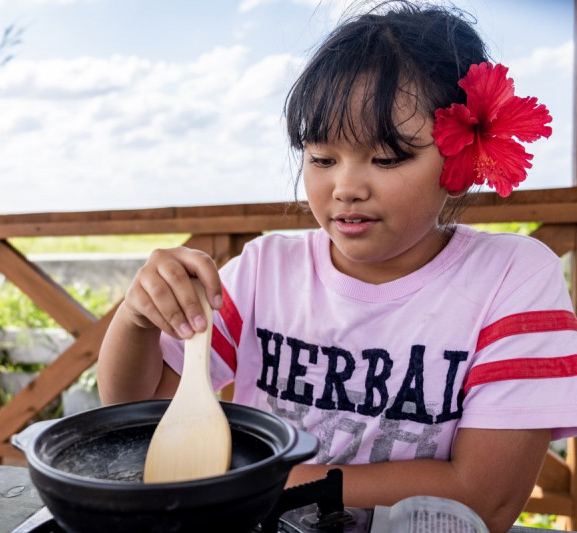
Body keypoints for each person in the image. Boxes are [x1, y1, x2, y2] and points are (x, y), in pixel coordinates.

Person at [96, 1, 577, 531]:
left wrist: (256, 484)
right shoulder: (265, 271)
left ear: (460, 157)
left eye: (387, 158)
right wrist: (137, 320)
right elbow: (140, 412)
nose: (345, 187)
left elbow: (486, 496)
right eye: (322, 159)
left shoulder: (513, 279)